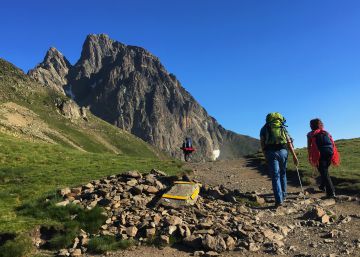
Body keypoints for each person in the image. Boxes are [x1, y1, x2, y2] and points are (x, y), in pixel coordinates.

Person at [260, 112, 299, 207]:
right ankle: (284, 195)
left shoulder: (264, 129)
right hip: (283, 152)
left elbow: (262, 144)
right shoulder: (282, 128)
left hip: (271, 153)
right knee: (283, 173)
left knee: (275, 176)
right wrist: (294, 156)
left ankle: (279, 200)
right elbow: (289, 142)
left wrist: (265, 156)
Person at [307, 118, 340, 198]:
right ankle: (322, 186)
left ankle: (331, 193)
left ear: (312, 126)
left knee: (324, 172)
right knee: (324, 171)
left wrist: (310, 156)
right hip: (330, 152)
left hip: (319, 154)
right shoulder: (326, 132)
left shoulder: (310, 134)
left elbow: (309, 146)